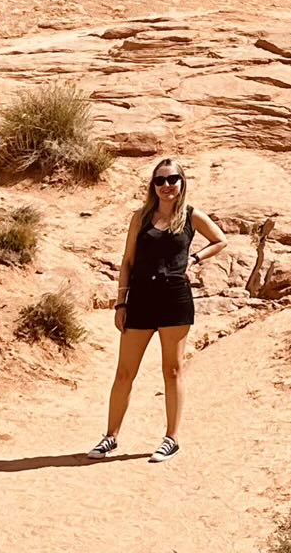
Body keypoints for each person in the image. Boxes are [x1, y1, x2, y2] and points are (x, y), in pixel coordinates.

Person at [86, 156, 227, 463]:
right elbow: (127, 262)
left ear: (182, 182)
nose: (166, 186)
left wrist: (195, 259)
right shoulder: (141, 217)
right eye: (160, 180)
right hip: (140, 299)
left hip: (174, 298)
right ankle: (110, 436)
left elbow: (220, 240)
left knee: (172, 370)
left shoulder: (191, 216)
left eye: (172, 179)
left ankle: (171, 438)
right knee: (125, 371)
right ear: (153, 185)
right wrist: (120, 302)